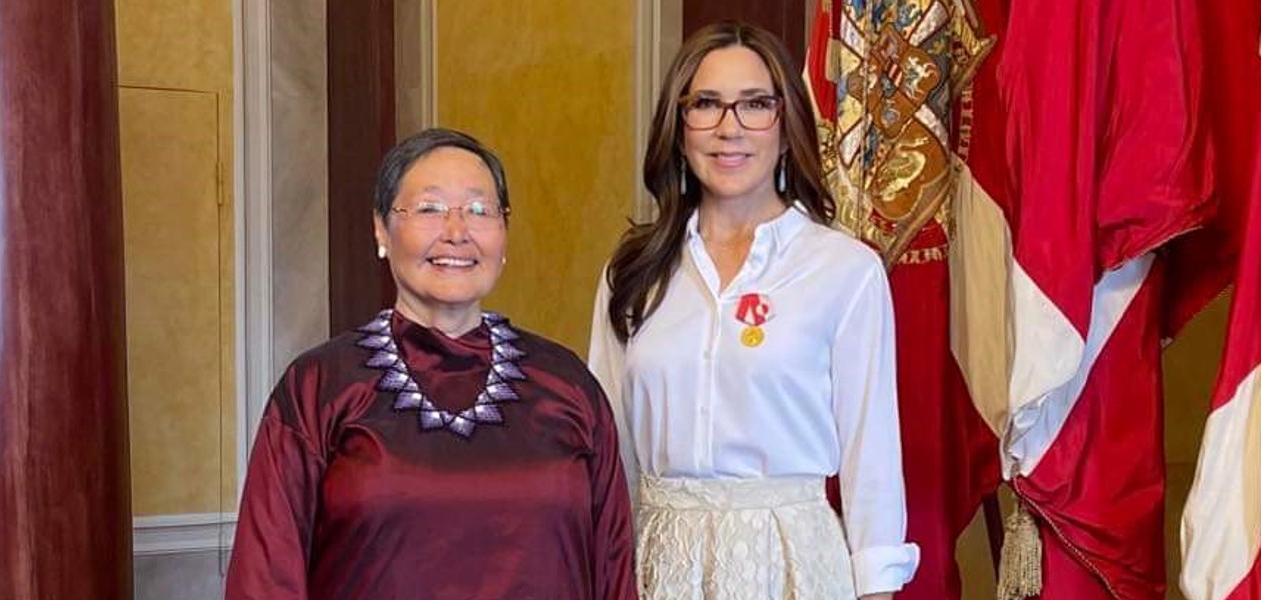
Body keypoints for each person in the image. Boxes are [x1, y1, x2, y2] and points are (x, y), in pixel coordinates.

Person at [227, 127, 637, 600]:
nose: (457, 232)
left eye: (479, 210)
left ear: (504, 234)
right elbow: (265, 576)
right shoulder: (319, 387)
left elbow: (613, 569)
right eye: (429, 208)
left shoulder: (567, 385)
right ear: (381, 228)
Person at [589, 21, 918, 600]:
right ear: (679, 128)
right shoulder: (633, 273)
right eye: (706, 104)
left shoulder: (845, 271)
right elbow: (609, 450)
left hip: (795, 563)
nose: (729, 128)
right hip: (660, 563)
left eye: (755, 104)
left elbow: (872, 459)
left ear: (787, 128)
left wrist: (876, 589)